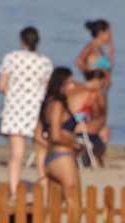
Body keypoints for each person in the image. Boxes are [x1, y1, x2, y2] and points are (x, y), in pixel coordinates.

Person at [0, 26, 53, 188]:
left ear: (22, 41)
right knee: (41, 151)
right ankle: (44, 189)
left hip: (15, 108)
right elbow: (49, 88)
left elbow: (2, 86)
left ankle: (14, 191)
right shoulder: (45, 62)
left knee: (17, 152)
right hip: (37, 108)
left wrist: (16, 92)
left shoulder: (10, 58)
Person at [36, 67, 84, 202]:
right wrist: (75, 146)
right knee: (74, 204)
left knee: (52, 210)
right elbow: (56, 135)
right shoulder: (57, 105)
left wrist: (51, 146)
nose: (72, 86)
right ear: (60, 84)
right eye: (69, 82)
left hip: (50, 158)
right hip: (63, 158)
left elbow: (38, 137)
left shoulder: (46, 104)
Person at [76, 67, 110, 165]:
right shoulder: (94, 94)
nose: (102, 87)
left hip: (64, 126)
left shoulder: (75, 88)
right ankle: (97, 158)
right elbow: (98, 116)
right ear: (96, 80)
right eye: (102, 84)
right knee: (105, 130)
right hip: (78, 129)